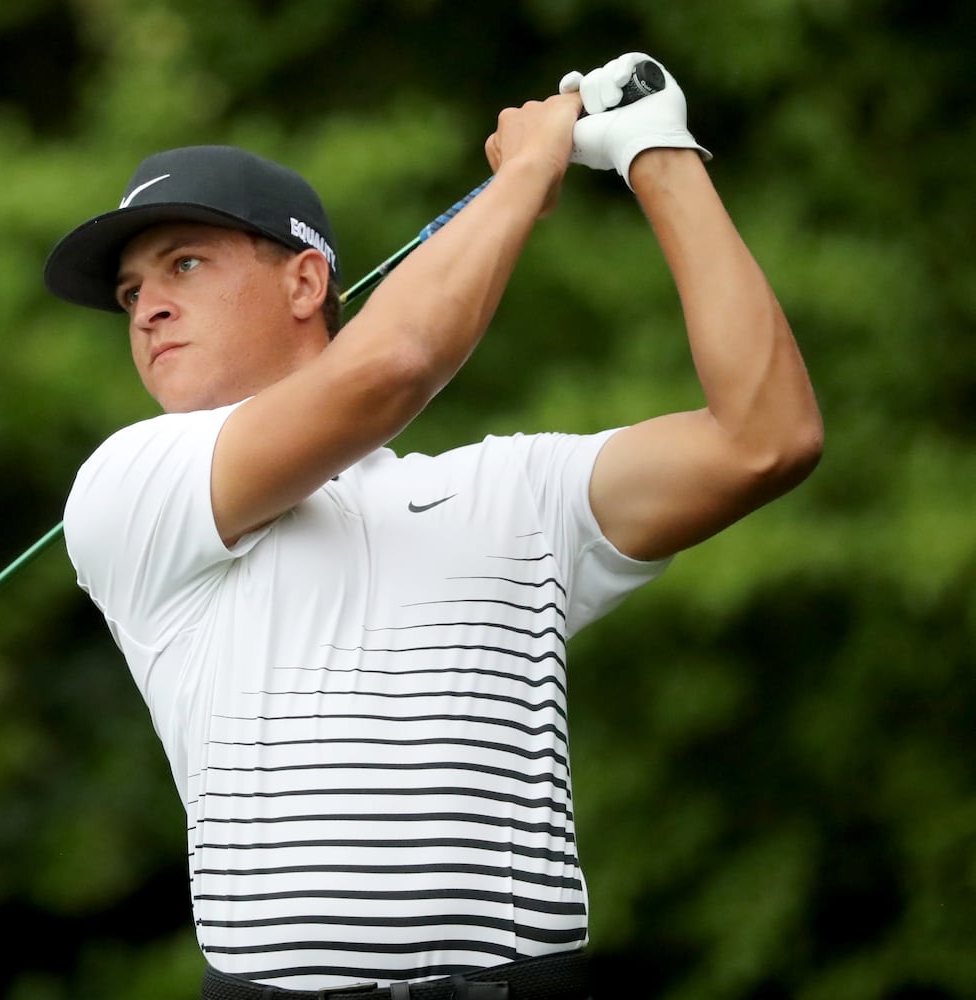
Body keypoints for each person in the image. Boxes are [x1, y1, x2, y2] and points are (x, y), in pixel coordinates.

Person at [43, 52, 821, 1000]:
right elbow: (392, 367)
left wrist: (657, 151)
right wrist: (528, 174)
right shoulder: (133, 485)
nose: (148, 306)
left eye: (186, 264)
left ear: (304, 284)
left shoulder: (513, 491)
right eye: (130, 294)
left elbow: (766, 438)